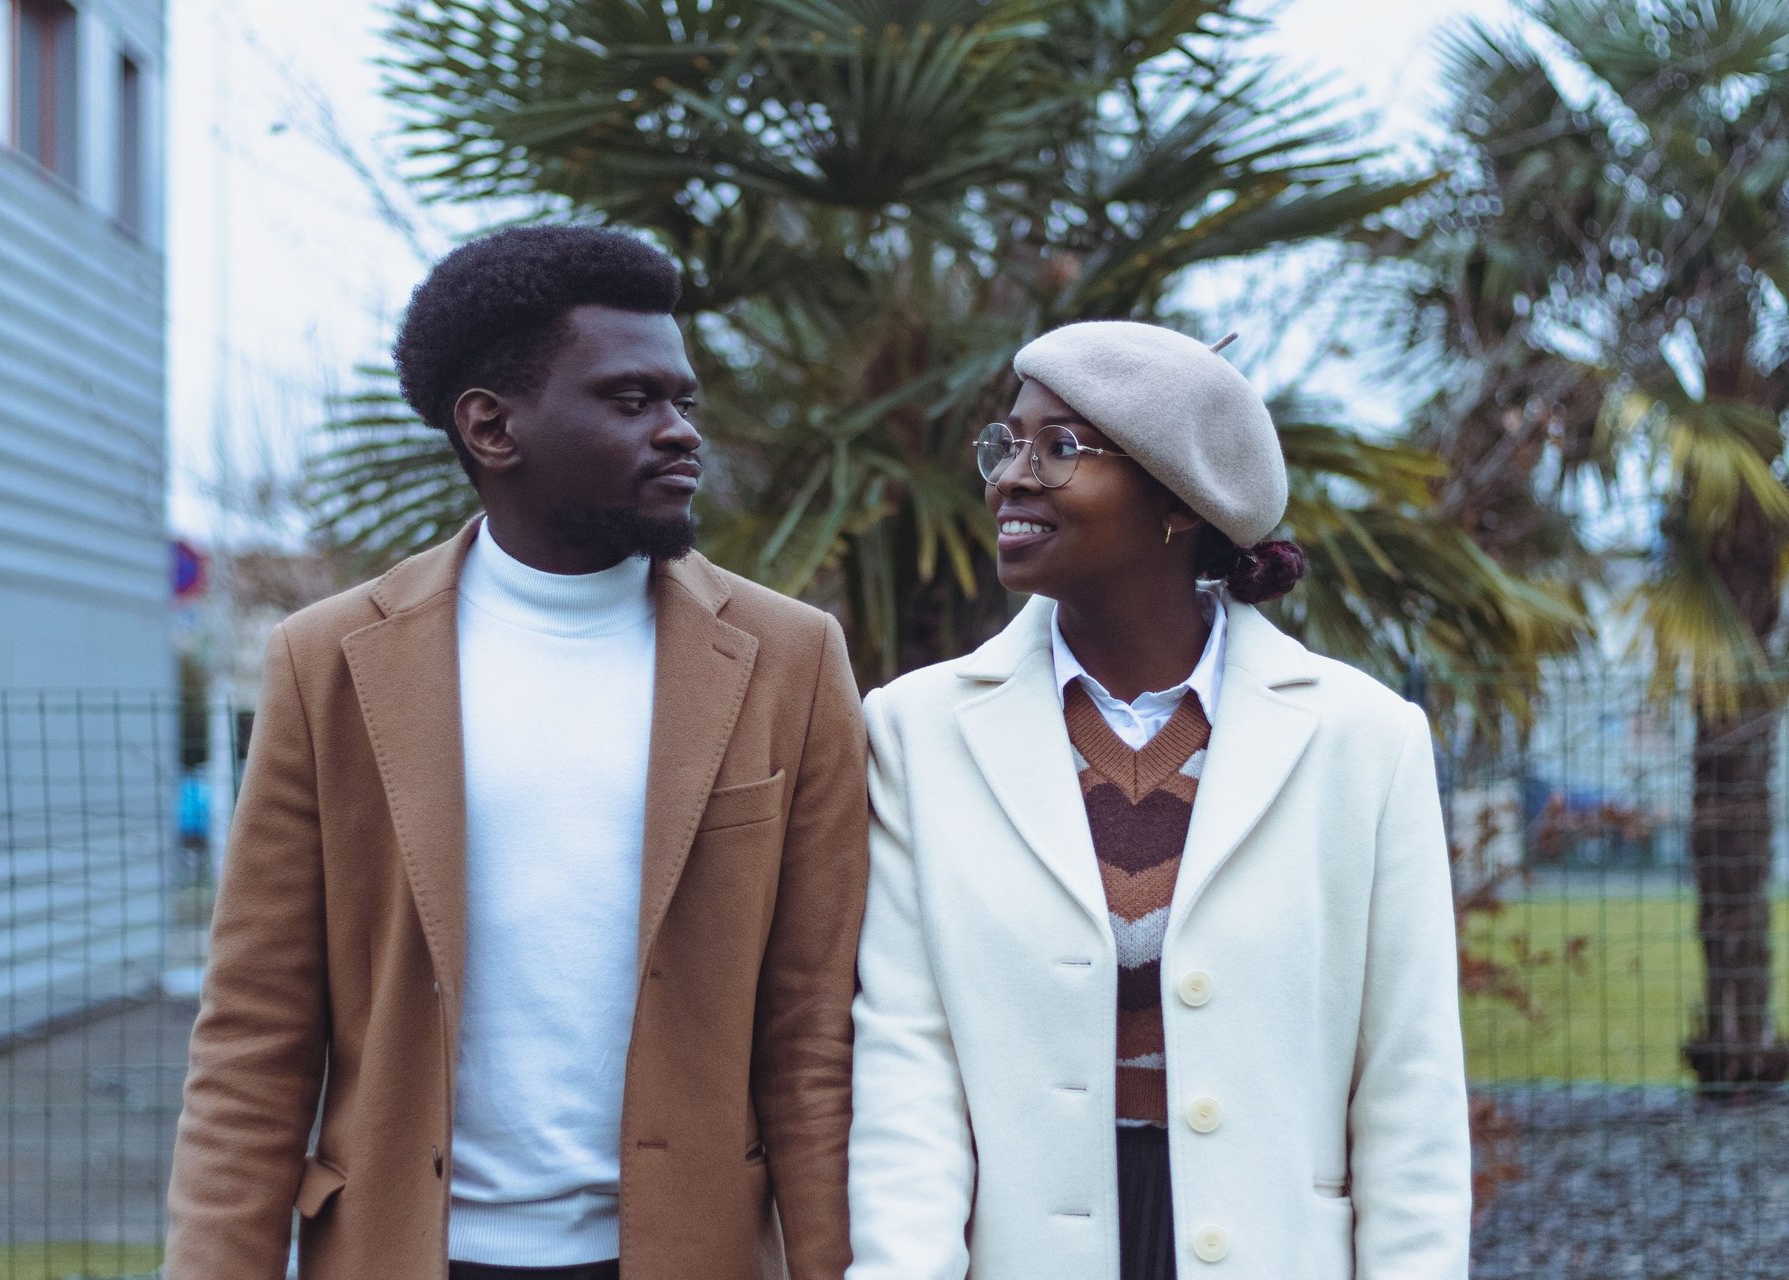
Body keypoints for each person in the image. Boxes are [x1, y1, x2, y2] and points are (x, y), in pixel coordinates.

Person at [165, 226, 868, 1280]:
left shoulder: (789, 658)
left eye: (684, 401)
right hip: (408, 1251)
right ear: (492, 427)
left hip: (691, 1251)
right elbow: (255, 1034)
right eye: (633, 401)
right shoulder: (330, 663)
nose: (680, 433)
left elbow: (817, 1036)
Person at [846, 321, 1470, 1280]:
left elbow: (1408, 1091)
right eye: (1007, 442)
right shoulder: (915, 733)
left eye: (1061, 449)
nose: (1012, 476)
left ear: (1179, 501)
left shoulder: (1363, 740)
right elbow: (907, 1074)